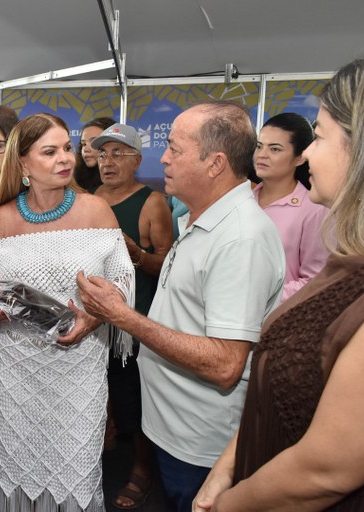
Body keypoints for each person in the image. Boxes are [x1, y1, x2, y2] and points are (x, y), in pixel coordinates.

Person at [77, 101, 285, 512]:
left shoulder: (239, 239)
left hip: (201, 446)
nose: (164, 158)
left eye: (175, 148)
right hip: (174, 431)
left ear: (215, 163)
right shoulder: (202, 217)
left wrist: (122, 316)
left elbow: (226, 364)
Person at [193, 51, 364, 512]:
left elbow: (325, 471)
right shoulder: (351, 259)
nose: (308, 152)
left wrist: (232, 503)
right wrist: (228, 466)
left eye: (320, 137)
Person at [0, 112, 135, 511]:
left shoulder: (95, 210)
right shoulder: (0, 219)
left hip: (79, 373)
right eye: (49, 151)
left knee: (77, 471)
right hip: (17, 375)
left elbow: (123, 283)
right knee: (17, 473)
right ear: (23, 164)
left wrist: (95, 317)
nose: (65, 158)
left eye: (67, 148)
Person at [92, 122, 174, 509]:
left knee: (137, 400)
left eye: (118, 154)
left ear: (137, 160)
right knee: (102, 394)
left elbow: (168, 265)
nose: (107, 162)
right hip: (95, 320)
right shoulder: (90, 198)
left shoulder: (152, 201)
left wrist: (137, 255)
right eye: (102, 153)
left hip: (136, 319)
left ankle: (142, 470)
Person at [253, 112, 330, 301]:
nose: (262, 155)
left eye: (275, 149)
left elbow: (315, 281)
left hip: (278, 320)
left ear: (300, 158)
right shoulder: (243, 200)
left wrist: (256, 298)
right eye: (259, 146)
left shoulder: (314, 209)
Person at [75, 117, 117, 191]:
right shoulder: (74, 180)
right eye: (83, 144)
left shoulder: (119, 183)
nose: (85, 149)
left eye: (93, 142)